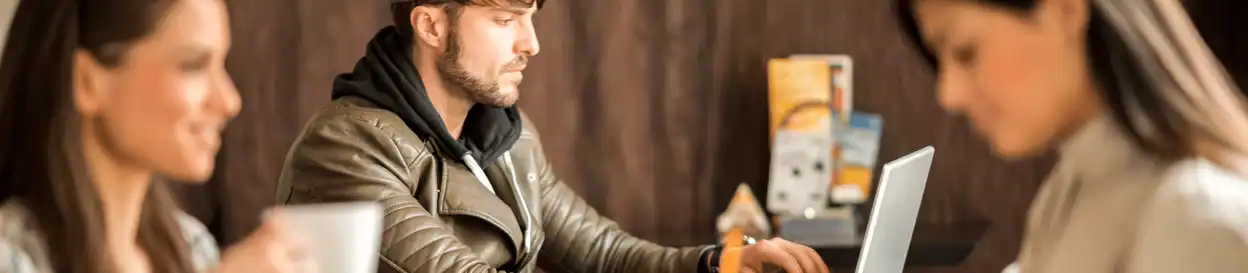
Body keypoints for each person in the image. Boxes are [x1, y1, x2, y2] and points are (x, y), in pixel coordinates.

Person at [275, 0, 829, 272]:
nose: (531, 42)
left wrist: (726, 264)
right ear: (432, 25)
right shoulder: (345, 150)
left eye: (531, 15)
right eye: (505, 18)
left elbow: (604, 254)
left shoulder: (503, 135)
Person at [896, 0, 1248, 272]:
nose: (949, 93)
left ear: (1066, 10)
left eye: (966, 52)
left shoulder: (1193, 219)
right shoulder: (1068, 188)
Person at [0, 0, 309, 273]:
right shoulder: (11, 256)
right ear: (87, 82)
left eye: (221, 65)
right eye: (193, 66)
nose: (229, 101)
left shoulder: (192, 246)